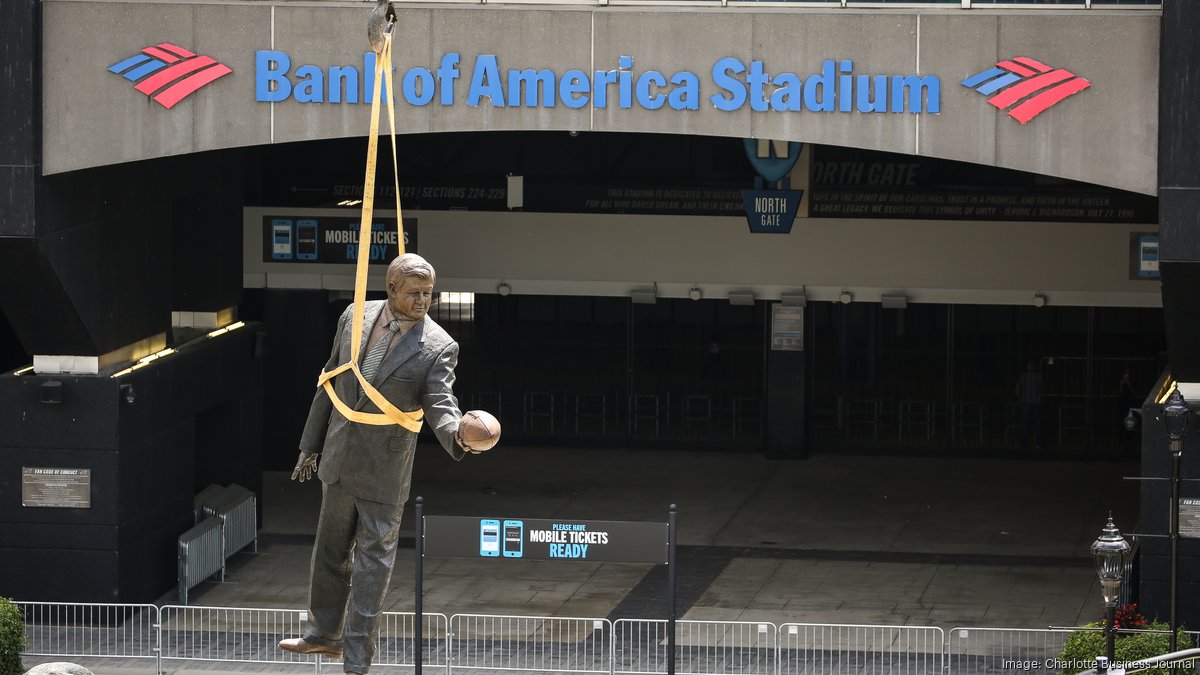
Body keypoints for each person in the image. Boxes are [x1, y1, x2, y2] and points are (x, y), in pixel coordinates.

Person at [278, 253, 488, 674]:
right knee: (330, 553)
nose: (424, 301)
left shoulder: (438, 346)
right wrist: (309, 444)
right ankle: (324, 634)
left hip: (384, 474)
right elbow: (329, 378)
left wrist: (458, 433)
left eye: (429, 294)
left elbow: (440, 402)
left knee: (372, 569)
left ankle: (357, 659)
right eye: (415, 293)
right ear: (392, 289)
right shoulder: (355, 315)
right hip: (338, 460)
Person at [1015, 360, 1043, 449]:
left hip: (1027, 402)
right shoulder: (1038, 376)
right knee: (1036, 424)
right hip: (1035, 402)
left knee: (1025, 423)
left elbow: (1016, 388)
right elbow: (1042, 388)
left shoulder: (1023, 376)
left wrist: (1020, 398)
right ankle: (1037, 443)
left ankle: (1024, 443)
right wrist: (1039, 396)